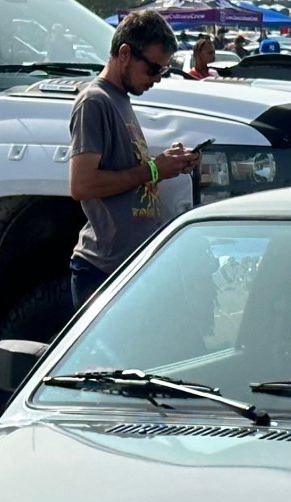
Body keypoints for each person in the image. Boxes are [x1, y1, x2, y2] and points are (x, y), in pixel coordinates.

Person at [67, 11, 200, 309]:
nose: (157, 78)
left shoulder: (119, 99)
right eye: (153, 68)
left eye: (163, 70)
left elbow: (128, 169)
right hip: (103, 272)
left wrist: (169, 163)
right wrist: (154, 169)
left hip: (129, 269)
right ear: (125, 54)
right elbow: (82, 185)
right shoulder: (94, 101)